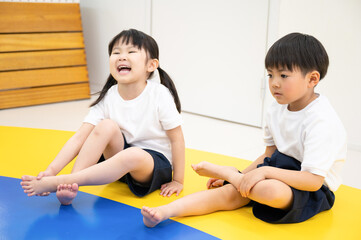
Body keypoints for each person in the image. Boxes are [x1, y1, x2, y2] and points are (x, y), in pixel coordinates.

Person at [141, 32, 347, 226]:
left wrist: (256, 174)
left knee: (269, 191)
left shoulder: (321, 121)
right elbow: (270, 154)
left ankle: (230, 174)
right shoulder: (277, 107)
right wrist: (246, 175)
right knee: (230, 193)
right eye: (270, 75)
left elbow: (312, 181)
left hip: (312, 187)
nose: (274, 83)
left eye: (283, 76)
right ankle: (165, 212)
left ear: (312, 79)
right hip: (279, 169)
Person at [20, 29, 185, 205]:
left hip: (152, 166)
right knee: (106, 125)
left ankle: (64, 181)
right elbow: (79, 138)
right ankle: (70, 184)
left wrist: (178, 180)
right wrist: (50, 170)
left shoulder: (159, 94)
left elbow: (177, 140)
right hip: (119, 165)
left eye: (131, 52)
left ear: (151, 65)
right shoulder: (109, 95)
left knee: (133, 154)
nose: (122, 56)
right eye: (116, 52)